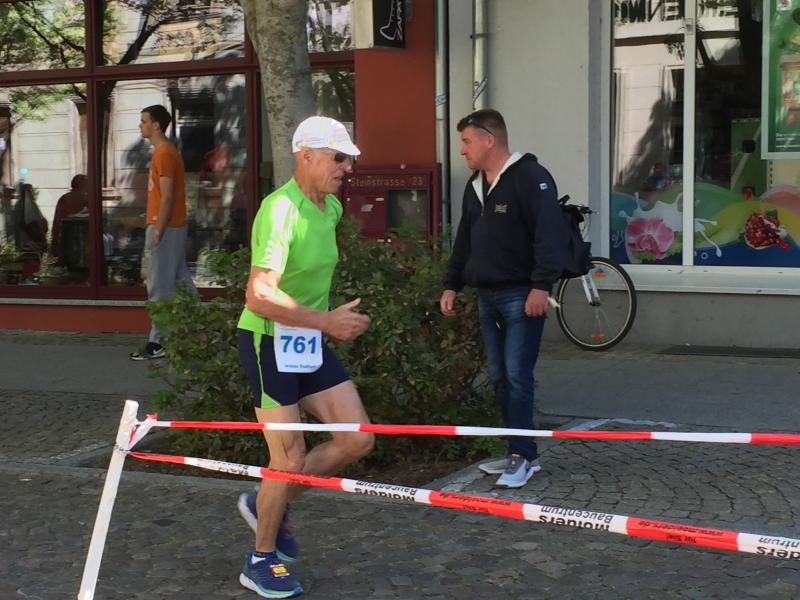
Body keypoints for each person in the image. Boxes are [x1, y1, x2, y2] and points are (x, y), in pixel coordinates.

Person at [235, 115, 374, 598]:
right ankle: (260, 560)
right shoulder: (279, 210)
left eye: (348, 158)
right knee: (288, 456)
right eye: (338, 157)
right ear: (306, 155)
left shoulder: (330, 208)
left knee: (357, 440)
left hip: (307, 340)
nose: (347, 167)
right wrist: (326, 321)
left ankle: (266, 502)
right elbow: (258, 295)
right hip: (267, 341)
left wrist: (323, 323)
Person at [439, 108, 572, 489]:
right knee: (499, 376)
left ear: (489, 139)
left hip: (522, 295)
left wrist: (541, 286)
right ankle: (519, 450)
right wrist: (451, 284)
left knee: (516, 375)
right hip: (487, 296)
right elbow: (465, 240)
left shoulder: (531, 177)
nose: (462, 150)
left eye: (467, 141)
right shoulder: (475, 186)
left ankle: (523, 457)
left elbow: (550, 233)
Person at [130, 104, 197, 360]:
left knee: (158, 285)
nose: (141, 125)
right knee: (181, 282)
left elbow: (167, 196)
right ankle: (198, 332)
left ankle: (158, 343)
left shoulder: (165, 153)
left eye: (144, 121)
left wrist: (158, 227)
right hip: (170, 225)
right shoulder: (164, 152)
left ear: (156, 125)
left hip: (166, 226)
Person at [51, 174, 88, 266]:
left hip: (66, 244)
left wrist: (54, 243)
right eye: (87, 183)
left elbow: (56, 223)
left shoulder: (64, 198)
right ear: (83, 184)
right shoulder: (86, 199)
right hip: (82, 246)